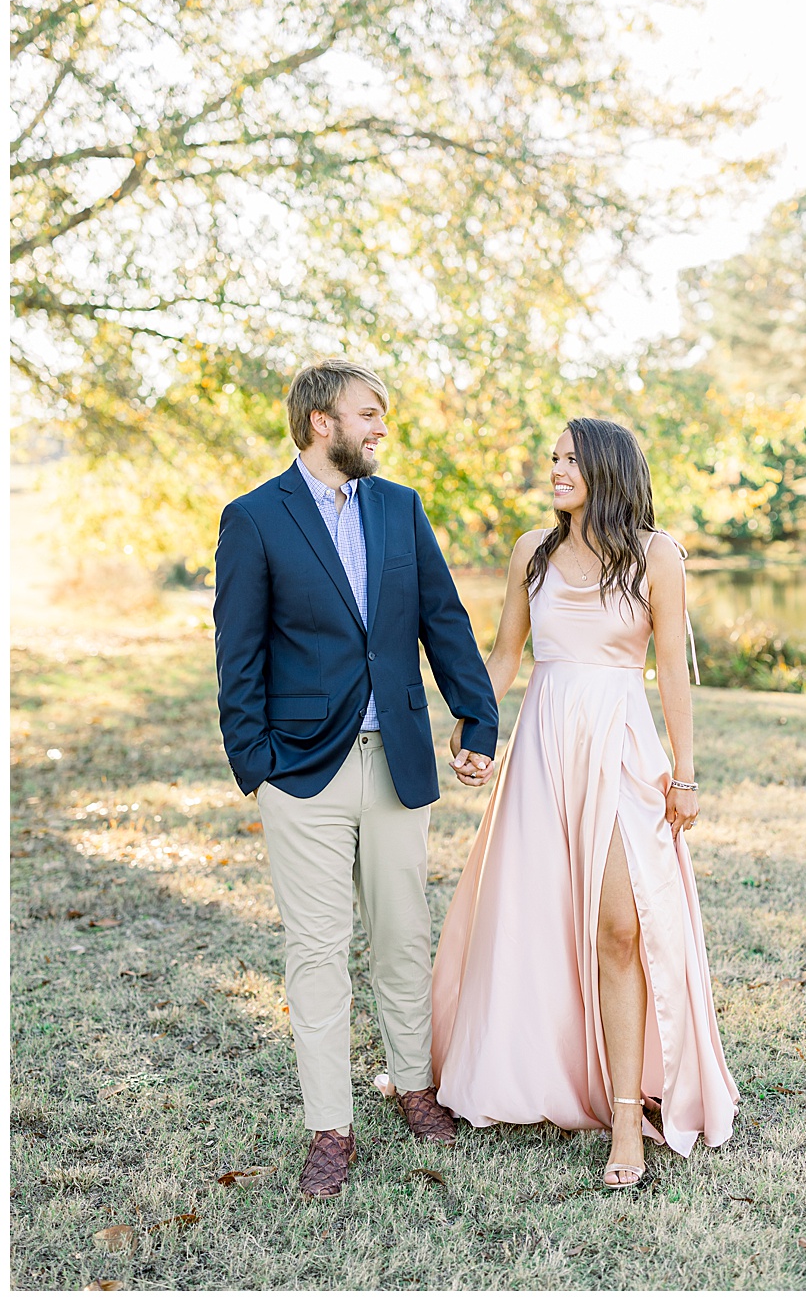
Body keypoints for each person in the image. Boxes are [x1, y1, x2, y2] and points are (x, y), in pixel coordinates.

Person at [214, 358, 500, 1199]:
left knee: (405, 938)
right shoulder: (255, 518)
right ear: (321, 423)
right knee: (316, 953)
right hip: (301, 771)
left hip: (395, 763)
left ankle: (415, 1088)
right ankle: (330, 1128)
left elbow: (442, 618)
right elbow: (238, 657)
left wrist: (475, 716)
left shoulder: (400, 509)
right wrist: (257, 768)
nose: (382, 427)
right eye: (369, 413)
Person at [430, 416, 737, 1188]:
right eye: (554, 458)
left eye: (570, 458)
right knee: (534, 920)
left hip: (622, 745)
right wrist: (474, 729)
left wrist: (687, 772)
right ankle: (537, 1071)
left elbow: (670, 668)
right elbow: (504, 654)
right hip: (542, 746)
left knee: (621, 925)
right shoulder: (532, 553)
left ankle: (628, 1120)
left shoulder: (656, 556)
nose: (556, 469)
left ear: (605, 467)